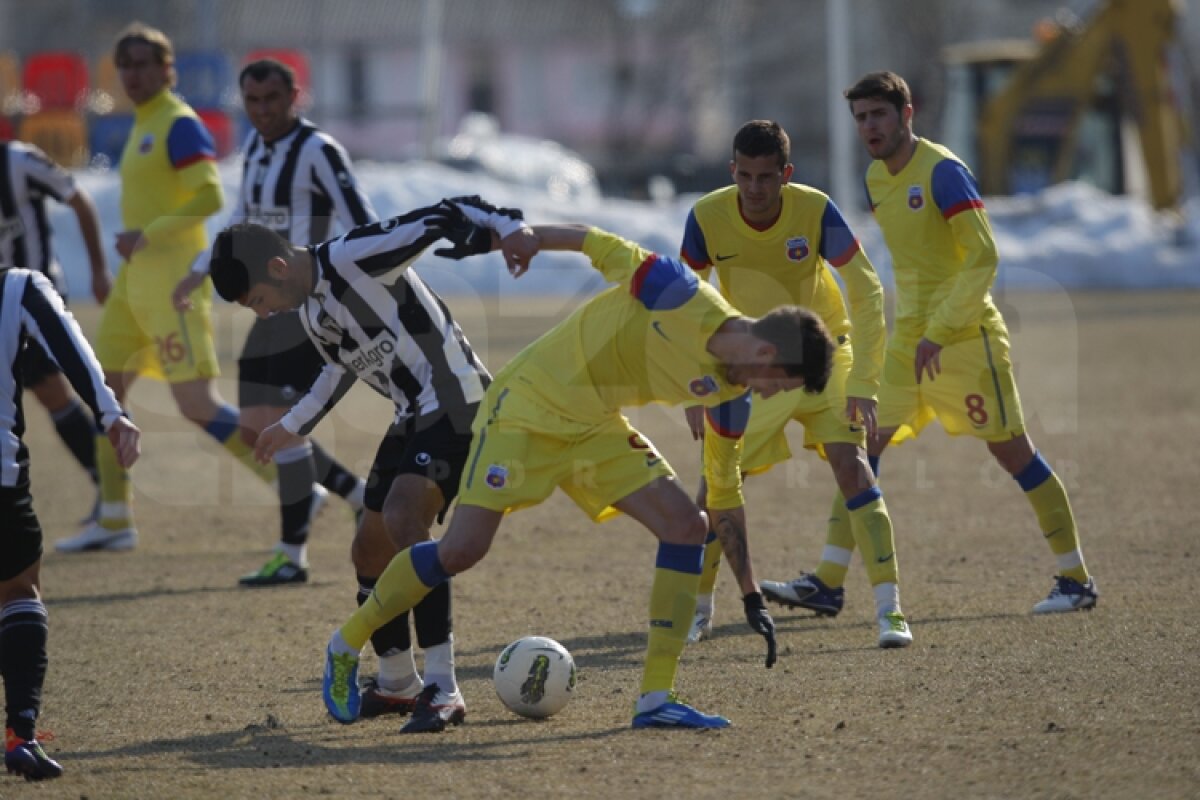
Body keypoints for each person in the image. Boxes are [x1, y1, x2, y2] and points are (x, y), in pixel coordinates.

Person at [310, 214, 839, 730]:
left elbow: (723, 492)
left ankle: (656, 698)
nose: (772, 394)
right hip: (527, 406)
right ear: (766, 351)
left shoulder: (731, 397)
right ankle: (346, 643)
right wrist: (525, 237)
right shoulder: (681, 295)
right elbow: (598, 243)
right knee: (460, 551)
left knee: (686, 526)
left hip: (594, 426)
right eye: (779, 382)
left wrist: (749, 592)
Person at [764, 71, 1097, 614]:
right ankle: (828, 581)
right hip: (907, 344)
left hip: (965, 340)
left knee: (1013, 453)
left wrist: (939, 332)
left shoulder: (943, 172)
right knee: (860, 448)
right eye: (861, 117)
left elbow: (983, 258)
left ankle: (1076, 579)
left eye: (879, 114)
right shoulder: (875, 178)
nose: (869, 126)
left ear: (906, 114)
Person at [208, 196, 534, 732]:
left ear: (279, 267)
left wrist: (510, 226)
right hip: (412, 415)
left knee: (405, 520)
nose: (264, 313)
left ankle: (443, 687)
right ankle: (396, 680)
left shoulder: (354, 256)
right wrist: (291, 424)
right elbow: (339, 370)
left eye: (260, 300)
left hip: (459, 402)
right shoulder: (311, 311)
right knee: (368, 547)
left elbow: (439, 215)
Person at [680, 120, 911, 648]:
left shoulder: (814, 209)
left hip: (822, 355)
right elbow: (685, 302)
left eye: (766, 177)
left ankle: (890, 611)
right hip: (754, 369)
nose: (755, 188)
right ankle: (698, 610)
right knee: (714, 489)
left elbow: (867, 287)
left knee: (853, 468)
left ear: (786, 174)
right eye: (745, 176)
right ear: (732, 171)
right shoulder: (706, 217)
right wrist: (694, 386)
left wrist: (864, 380)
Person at [54, 22, 274, 553]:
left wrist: (147, 235)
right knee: (105, 392)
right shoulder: (141, 124)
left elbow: (208, 197)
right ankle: (114, 517)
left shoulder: (177, 123)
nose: (132, 74)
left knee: (196, 404)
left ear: (166, 69)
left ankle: (292, 485)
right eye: (124, 65)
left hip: (174, 285)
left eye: (143, 63)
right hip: (134, 288)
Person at [172, 58, 371, 586]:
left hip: (308, 304)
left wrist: (362, 288)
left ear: (294, 96)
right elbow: (242, 216)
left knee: (279, 420)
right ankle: (357, 496)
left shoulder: (319, 151)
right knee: (260, 422)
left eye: (272, 100)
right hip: (271, 305)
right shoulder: (258, 149)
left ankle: (291, 555)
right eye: (253, 101)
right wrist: (200, 270)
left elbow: (363, 220)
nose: (262, 111)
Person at [1, 267, 141, 781]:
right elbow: (70, 347)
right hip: (1, 473)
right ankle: (20, 735)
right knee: (18, 589)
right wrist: (110, 413)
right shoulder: (17, 287)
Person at [0, 138, 110, 522]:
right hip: (2, 301)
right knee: (49, 395)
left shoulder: (19, 160)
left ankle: (111, 490)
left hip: (35, 299)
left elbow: (79, 200)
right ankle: (110, 490)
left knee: (50, 390)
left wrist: (99, 270)